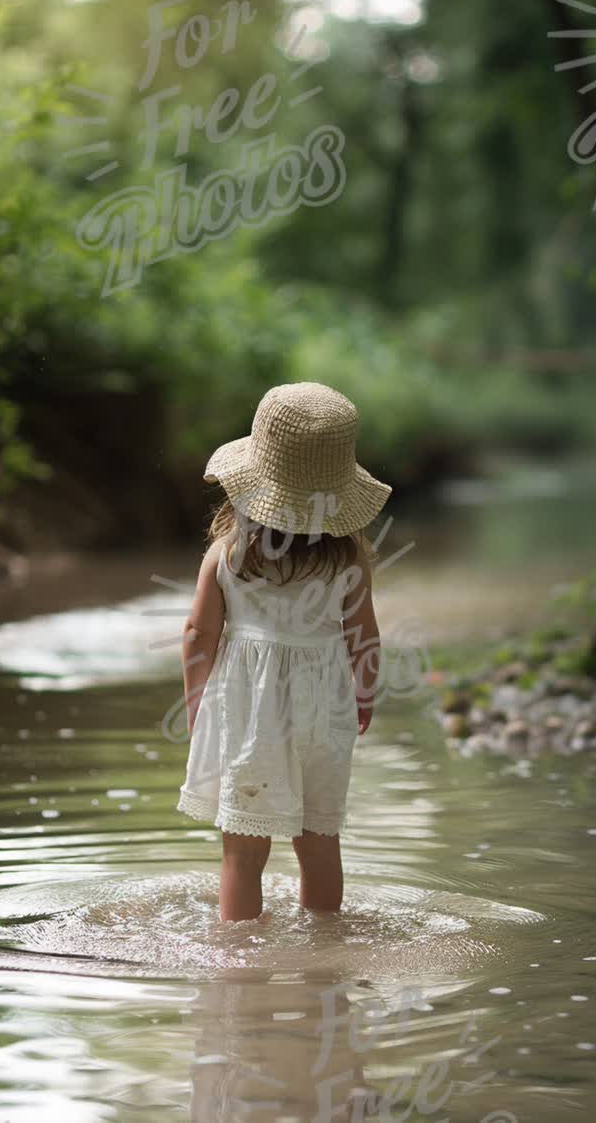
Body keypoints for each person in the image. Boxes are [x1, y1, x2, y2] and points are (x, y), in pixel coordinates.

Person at [176, 381, 392, 922]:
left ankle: (241, 967)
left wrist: (197, 700)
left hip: (248, 711)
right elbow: (363, 636)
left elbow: (197, 636)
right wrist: (362, 697)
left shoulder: (226, 556)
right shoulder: (348, 562)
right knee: (320, 838)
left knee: (244, 852)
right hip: (325, 707)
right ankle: (325, 953)